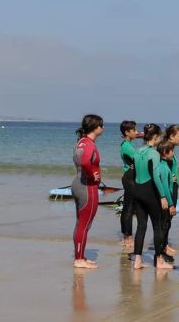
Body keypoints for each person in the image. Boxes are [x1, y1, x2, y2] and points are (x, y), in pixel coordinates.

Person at [131, 124, 173, 269]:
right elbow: (155, 177)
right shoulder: (154, 154)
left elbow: (134, 173)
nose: (160, 139)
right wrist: (162, 196)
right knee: (157, 227)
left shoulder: (137, 152)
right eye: (159, 137)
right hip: (150, 193)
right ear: (155, 137)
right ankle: (159, 261)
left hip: (137, 191)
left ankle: (137, 261)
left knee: (141, 226)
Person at [72, 114, 104, 269]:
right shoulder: (89, 144)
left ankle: (80, 256)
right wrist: (93, 175)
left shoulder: (81, 142)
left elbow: (81, 161)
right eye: (101, 125)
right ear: (96, 128)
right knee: (84, 225)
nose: (103, 128)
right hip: (87, 187)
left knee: (80, 224)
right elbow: (85, 162)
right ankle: (79, 260)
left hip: (77, 184)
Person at [162, 125, 179, 257]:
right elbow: (161, 169)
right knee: (166, 219)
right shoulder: (166, 150)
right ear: (171, 137)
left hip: (173, 187)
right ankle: (163, 248)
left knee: (169, 219)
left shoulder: (170, 148)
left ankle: (165, 244)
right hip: (169, 189)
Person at [156, 139, 177, 263]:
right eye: (171, 151)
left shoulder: (161, 165)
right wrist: (171, 204)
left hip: (162, 202)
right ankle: (160, 254)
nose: (173, 154)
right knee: (164, 226)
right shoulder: (164, 167)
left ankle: (162, 252)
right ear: (165, 152)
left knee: (164, 226)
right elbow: (165, 187)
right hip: (166, 203)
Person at [119, 120, 138, 247]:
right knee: (129, 208)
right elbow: (139, 159)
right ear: (127, 132)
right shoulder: (126, 146)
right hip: (129, 178)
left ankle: (126, 235)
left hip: (129, 177)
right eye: (134, 130)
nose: (136, 132)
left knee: (128, 207)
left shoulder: (126, 144)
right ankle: (128, 236)